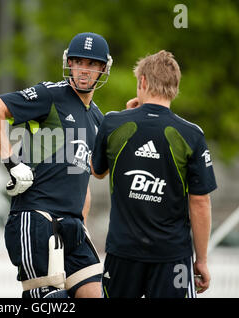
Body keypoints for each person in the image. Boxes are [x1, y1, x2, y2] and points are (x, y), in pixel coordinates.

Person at [0, 32, 114, 298]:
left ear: (102, 68)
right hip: (36, 218)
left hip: (73, 225)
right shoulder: (50, 95)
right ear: (69, 63)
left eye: (91, 64)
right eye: (78, 62)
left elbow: (88, 174)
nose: (83, 70)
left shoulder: (98, 118)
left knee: (95, 293)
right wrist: (11, 162)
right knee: (48, 300)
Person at [91, 50, 217, 298]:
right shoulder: (192, 134)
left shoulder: (113, 123)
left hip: (122, 253)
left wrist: (124, 114)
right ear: (175, 87)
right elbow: (200, 202)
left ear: (143, 82)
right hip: (172, 257)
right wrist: (201, 260)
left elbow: (97, 171)